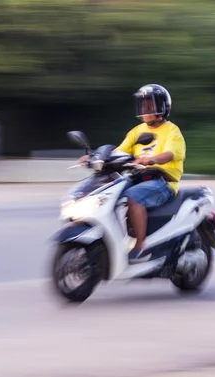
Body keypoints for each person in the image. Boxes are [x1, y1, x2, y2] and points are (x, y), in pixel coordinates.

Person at [78, 84, 186, 264]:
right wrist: (93, 157)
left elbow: (171, 154)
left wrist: (152, 160)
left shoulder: (172, 131)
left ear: (162, 107)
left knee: (132, 197)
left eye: (149, 105)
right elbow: (119, 151)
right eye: (142, 105)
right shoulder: (137, 131)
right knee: (105, 193)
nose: (144, 109)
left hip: (162, 181)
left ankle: (140, 247)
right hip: (138, 177)